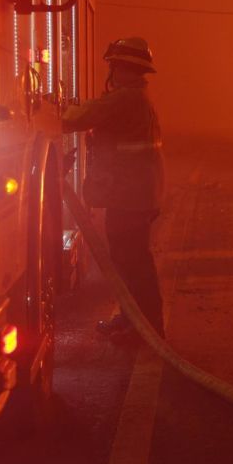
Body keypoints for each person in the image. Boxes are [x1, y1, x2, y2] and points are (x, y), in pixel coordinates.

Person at [63, 37, 165, 339]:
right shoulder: (136, 98)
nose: (113, 71)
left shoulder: (125, 99)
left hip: (130, 197)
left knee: (133, 264)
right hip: (136, 194)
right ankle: (133, 319)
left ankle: (146, 328)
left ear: (122, 67)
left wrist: (53, 110)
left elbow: (78, 118)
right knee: (126, 261)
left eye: (115, 65)